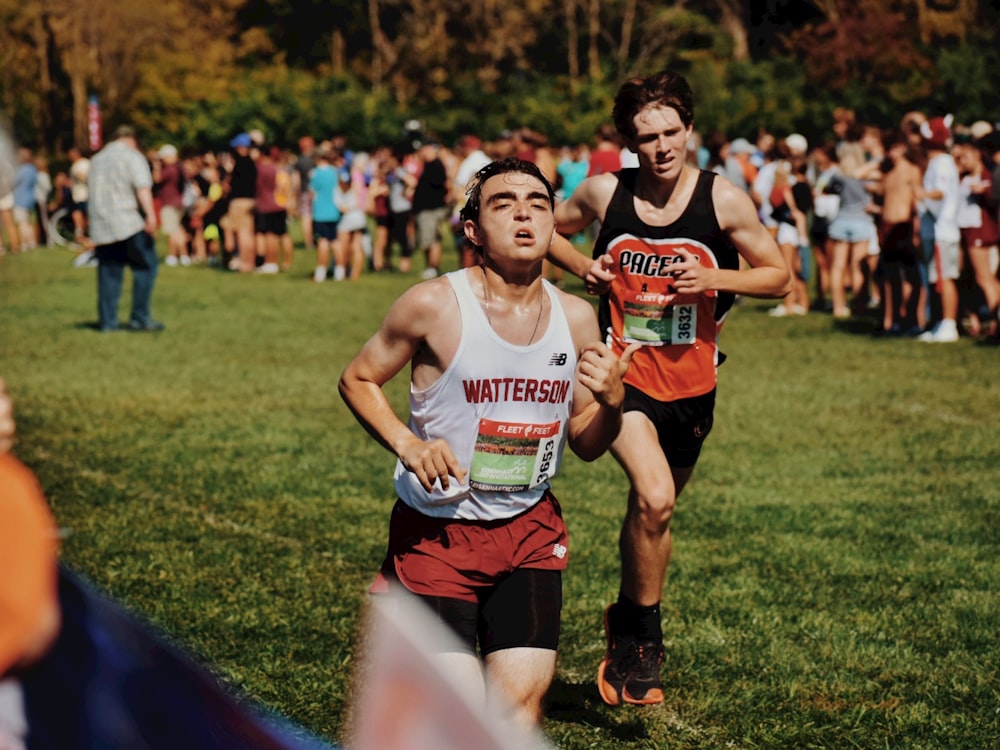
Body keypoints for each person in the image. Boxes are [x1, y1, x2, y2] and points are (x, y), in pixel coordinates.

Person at [338, 157, 636, 728]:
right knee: (450, 720)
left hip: (528, 531)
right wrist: (409, 444)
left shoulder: (575, 319)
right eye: (504, 204)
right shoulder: (433, 304)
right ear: (473, 230)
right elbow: (358, 378)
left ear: (554, 225)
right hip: (438, 537)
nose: (524, 214)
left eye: (539, 203)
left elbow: (586, 441)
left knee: (514, 715)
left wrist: (615, 404)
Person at [546, 69, 791, 707]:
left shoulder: (724, 201)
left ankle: (626, 620)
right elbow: (546, 226)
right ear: (629, 142)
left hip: (693, 382)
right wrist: (584, 266)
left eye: (671, 132)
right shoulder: (606, 194)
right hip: (621, 378)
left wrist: (713, 278)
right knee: (653, 497)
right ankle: (645, 640)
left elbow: (779, 277)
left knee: (655, 513)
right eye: (646, 136)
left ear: (689, 129)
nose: (661, 147)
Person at [87, 125, 163, 333]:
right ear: (132, 140)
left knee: (109, 273)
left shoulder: (96, 160)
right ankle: (140, 317)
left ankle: (108, 322)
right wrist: (151, 216)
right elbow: (142, 188)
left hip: (102, 224)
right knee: (146, 268)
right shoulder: (133, 157)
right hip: (129, 221)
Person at [915, 116, 962, 342]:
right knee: (936, 279)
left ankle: (949, 323)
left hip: (943, 231)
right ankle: (939, 322)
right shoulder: (937, 162)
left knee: (945, 278)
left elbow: (940, 192)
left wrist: (920, 193)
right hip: (935, 231)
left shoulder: (942, 162)